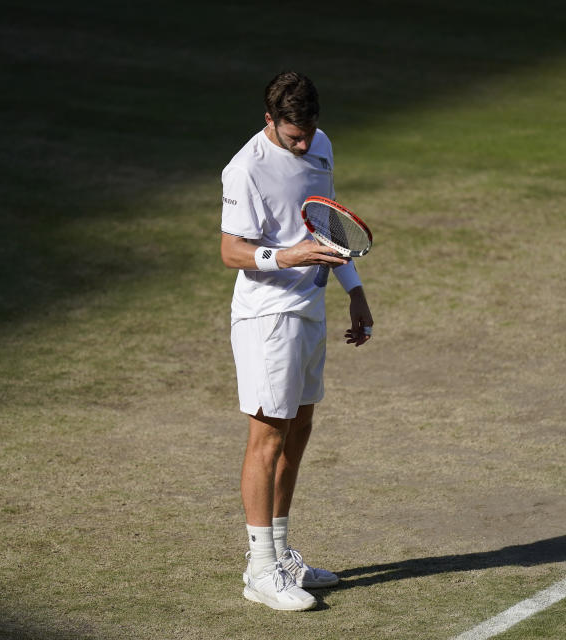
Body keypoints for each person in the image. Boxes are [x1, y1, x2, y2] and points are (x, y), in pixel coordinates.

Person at [220, 71, 374, 611]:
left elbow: (324, 225)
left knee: (299, 428)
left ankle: (281, 554)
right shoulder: (245, 170)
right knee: (266, 436)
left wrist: (353, 289)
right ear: (269, 121)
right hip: (267, 318)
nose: (304, 144)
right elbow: (231, 251)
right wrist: (285, 257)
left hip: (310, 310)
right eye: (293, 136)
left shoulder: (321, 143)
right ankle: (260, 568)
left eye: (309, 132)